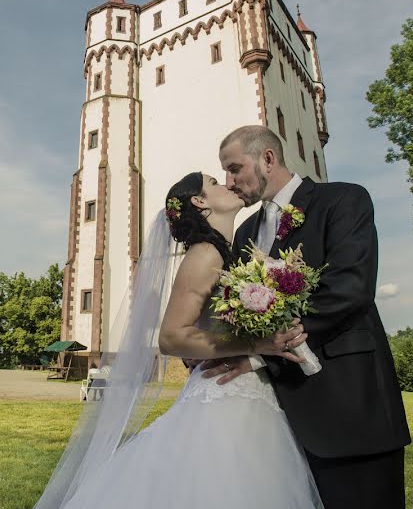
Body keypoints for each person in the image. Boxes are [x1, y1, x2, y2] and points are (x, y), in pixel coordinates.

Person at [35, 172, 323, 509]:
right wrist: (257, 345)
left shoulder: (228, 254)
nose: (227, 184)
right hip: (222, 400)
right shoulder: (205, 254)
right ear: (200, 203)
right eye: (214, 183)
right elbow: (171, 337)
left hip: (246, 396)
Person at [204, 125, 411, 509]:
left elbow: (350, 287)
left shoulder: (343, 199)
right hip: (276, 426)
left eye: (235, 168)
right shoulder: (246, 230)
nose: (230, 181)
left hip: (348, 407)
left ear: (268, 158)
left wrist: (265, 348)